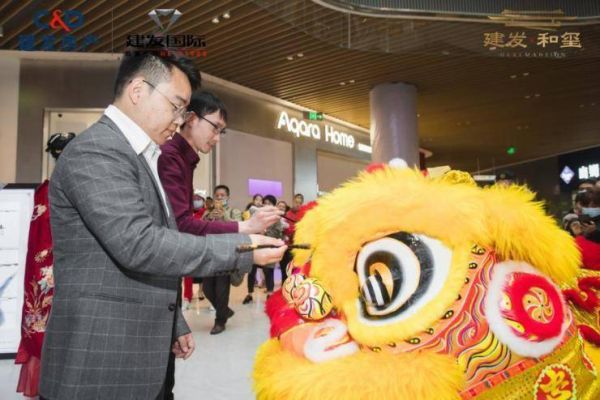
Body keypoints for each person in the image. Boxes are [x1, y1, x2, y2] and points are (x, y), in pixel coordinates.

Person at [39, 51, 285, 400]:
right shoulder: (97, 151)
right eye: (177, 105)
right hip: (99, 362)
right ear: (138, 90)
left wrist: (174, 322)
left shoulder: (142, 155)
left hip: (137, 350)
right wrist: (243, 250)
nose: (180, 118)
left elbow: (159, 242)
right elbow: (140, 245)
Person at [15, 133, 75, 398]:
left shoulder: (44, 190)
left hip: (45, 272)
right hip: (59, 272)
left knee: (47, 325)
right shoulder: (68, 190)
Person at [243, 195, 286, 304]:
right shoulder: (258, 215)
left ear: (273, 205)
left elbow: (278, 233)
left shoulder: (276, 218)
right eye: (265, 202)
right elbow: (250, 229)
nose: (266, 205)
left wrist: (266, 233)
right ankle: (249, 294)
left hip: (268, 247)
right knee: (251, 271)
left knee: (269, 272)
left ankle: (270, 295)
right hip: (255, 246)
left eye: (269, 203)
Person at [280, 193, 305, 283]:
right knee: (285, 268)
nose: (297, 204)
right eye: (296, 202)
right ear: (293, 201)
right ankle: (283, 287)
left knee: (296, 269)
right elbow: (284, 230)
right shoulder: (287, 214)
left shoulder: (303, 215)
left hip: (298, 246)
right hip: (287, 246)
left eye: (299, 203)